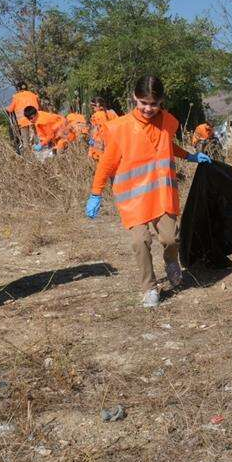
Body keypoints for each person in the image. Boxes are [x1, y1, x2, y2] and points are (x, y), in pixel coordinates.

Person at [84, 75, 213, 308]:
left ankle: (171, 262)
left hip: (162, 194)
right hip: (133, 198)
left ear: (161, 101)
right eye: (143, 102)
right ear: (135, 98)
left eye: (153, 103)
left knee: (171, 238)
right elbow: (107, 163)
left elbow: (166, 144)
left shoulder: (168, 122)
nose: (148, 108)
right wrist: (96, 192)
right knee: (140, 241)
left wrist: (189, 156)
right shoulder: (120, 128)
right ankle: (149, 288)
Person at [5, 82, 40, 147]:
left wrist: (6, 108)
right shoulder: (33, 95)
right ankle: (39, 151)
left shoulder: (16, 97)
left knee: (26, 141)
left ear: (18, 89)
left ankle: (28, 154)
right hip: (35, 120)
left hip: (23, 122)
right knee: (37, 138)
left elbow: (10, 109)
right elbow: (39, 105)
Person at [88, 97, 118, 162]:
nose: (93, 110)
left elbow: (93, 133)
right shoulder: (112, 113)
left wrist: (90, 147)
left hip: (99, 145)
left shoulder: (96, 116)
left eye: (93, 108)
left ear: (99, 106)